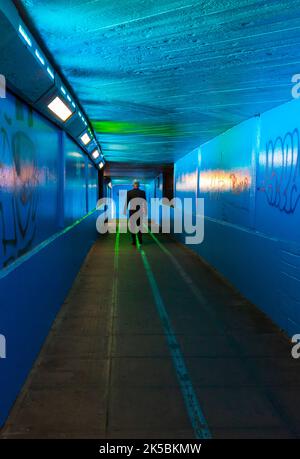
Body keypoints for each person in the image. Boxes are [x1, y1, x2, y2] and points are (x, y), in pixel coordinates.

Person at [124, 180, 147, 245]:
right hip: (140, 211)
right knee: (140, 226)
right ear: (139, 185)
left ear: (133, 185)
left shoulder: (129, 192)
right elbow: (145, 202)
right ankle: (140, 240)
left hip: (132, 211)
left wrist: (125, 210)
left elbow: (127, 202)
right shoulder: (143, 192)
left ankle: (134, 241)